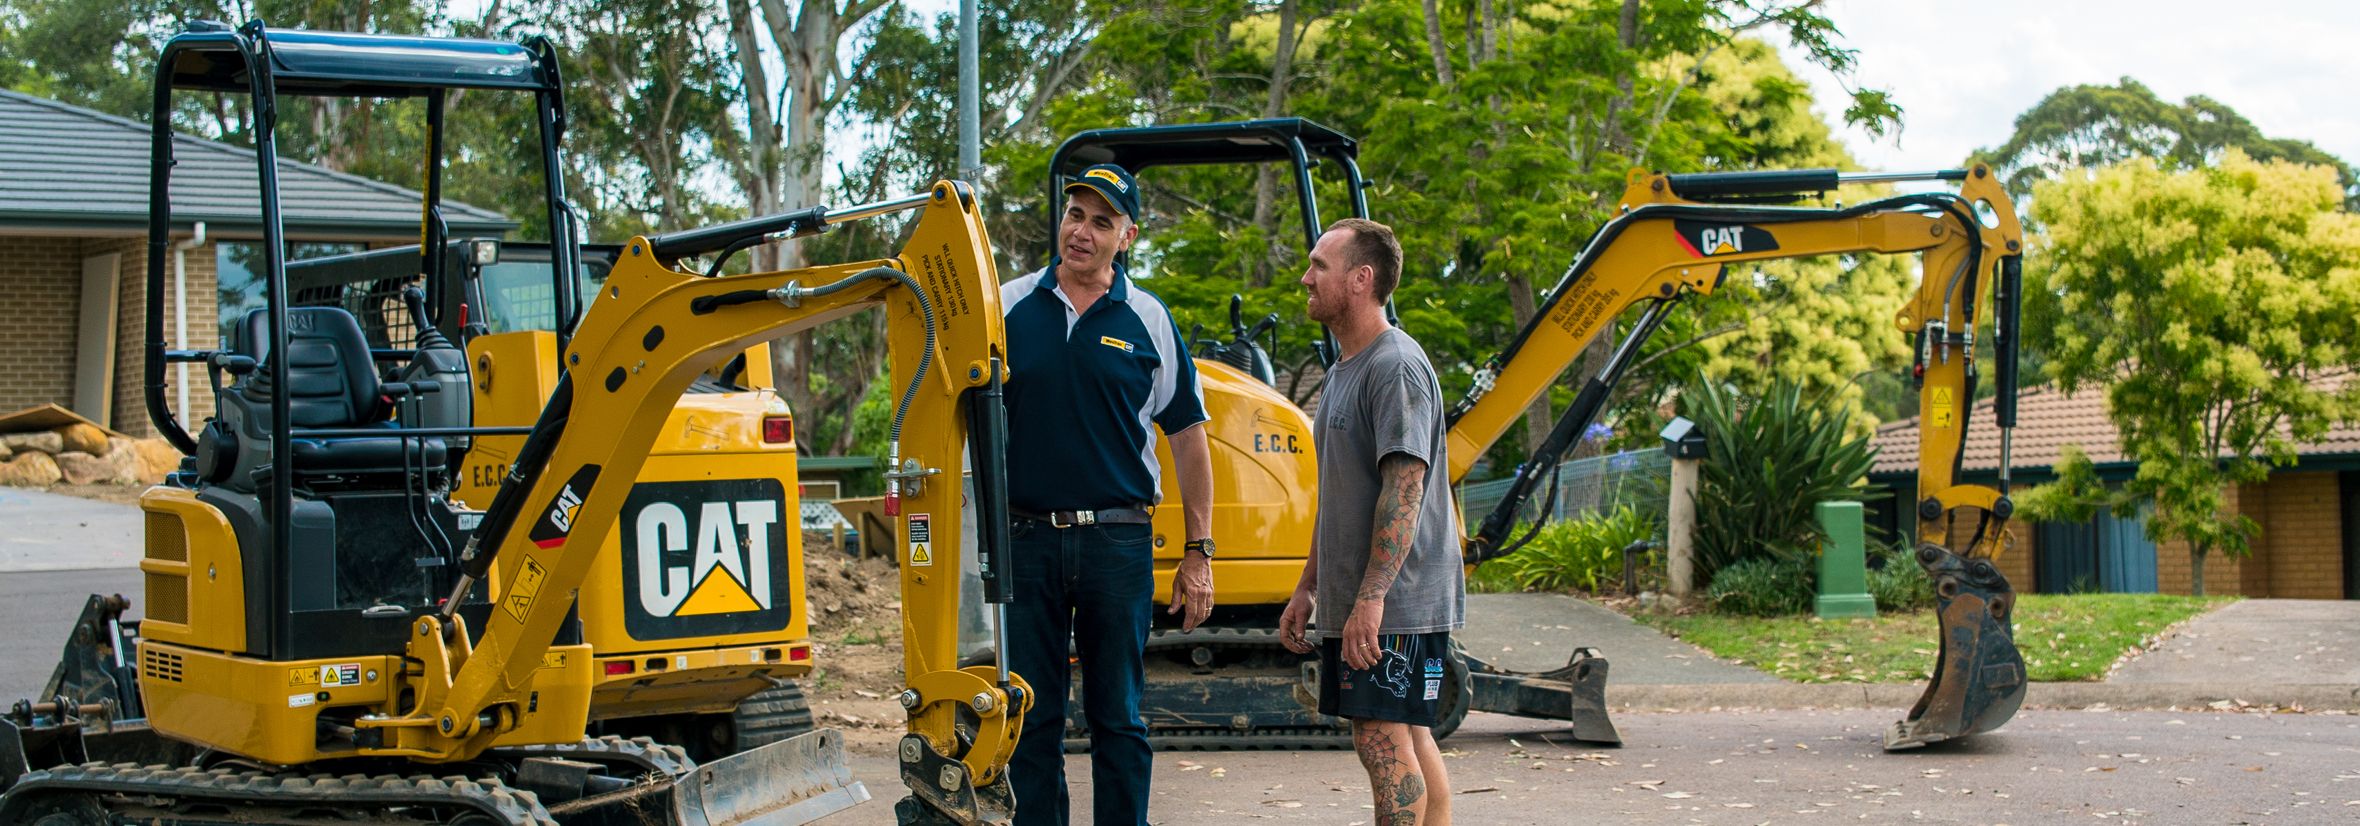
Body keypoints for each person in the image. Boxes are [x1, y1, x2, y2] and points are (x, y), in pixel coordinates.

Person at [998, 162, 1217, 826]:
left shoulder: (1148, 319)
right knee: (1030, 720)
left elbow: (1188, 438)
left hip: (1117, 543)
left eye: (1101, 221)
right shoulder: (1005, 307)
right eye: (1074, 214)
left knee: (1117, 717)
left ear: (1127, 236)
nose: (1081, 232)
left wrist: (1198, 551)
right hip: (1025, 541)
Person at [1278, 217, 1463, 826]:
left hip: (1396, 598)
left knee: (1381, 741)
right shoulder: (1343, 370)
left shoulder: (1394, 365)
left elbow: (1404, 489)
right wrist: (1308, 585)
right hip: (1370, 594)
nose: (1306, 278)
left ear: (1360, 279)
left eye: (1318, 267)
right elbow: (1340, 497)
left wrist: (1372, 598)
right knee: (1405, 733)